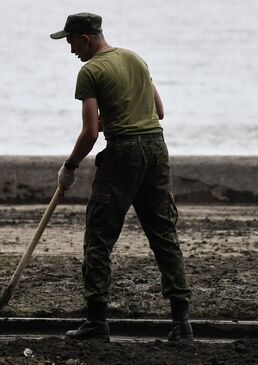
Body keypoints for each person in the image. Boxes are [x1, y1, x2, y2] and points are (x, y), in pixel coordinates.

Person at [50, 12, 193, 343]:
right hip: (157, 150)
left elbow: (88, 133)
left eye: (70, 41)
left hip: (123, 155)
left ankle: (97, 321)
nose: (70, 49)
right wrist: (114, 114)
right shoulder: (135, 58)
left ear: (85, 38)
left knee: (99, 236)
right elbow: (158, 111)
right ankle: (181, 322)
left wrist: (69, 166)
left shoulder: (90, 71)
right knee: (164, 235)